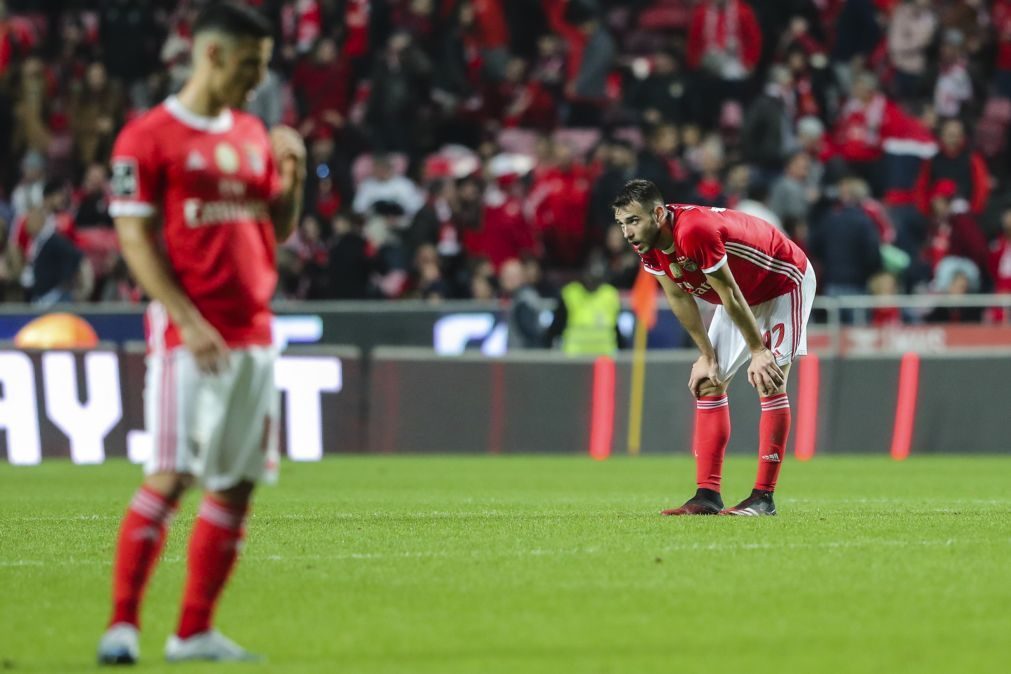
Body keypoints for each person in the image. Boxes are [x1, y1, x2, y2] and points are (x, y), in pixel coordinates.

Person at [97, 2, 306, 665]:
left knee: (237, 484)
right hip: (189, 334)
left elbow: (277, 231)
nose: (258, 82)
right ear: (211, 55)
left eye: (265, 68)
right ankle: (121, 627)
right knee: (170, 475)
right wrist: (185, 319)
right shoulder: (148, 136)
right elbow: (133, 237)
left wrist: (292, 180)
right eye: (251, 66)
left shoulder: (251, 131)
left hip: (255, 332)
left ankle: (192, 632)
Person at [612, 179, 816, 516]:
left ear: (659, 213)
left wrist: (758, 351)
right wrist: (706, 356)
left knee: (770, 379)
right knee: (709, 382)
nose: (627, 232)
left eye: (633, 221)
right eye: (621, 224)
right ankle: (707, 495)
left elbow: (730, 294)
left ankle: (763, 498)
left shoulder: (693, 231)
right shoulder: (647, 243)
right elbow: (678, 296)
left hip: (782, 280)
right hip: (741, 293)